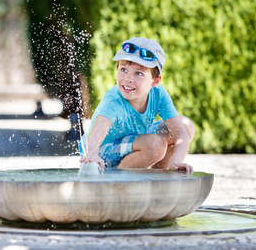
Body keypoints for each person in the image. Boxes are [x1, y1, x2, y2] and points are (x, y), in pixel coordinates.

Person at [79, 37, 195, 172]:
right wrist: (92, 154)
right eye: (123, 69)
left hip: (133, 141)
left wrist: (177, 160)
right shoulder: (114, 99)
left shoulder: (159, 95)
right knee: (156, 144)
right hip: (102, 152)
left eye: (138, 73)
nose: (128, 79)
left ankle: (160, 175)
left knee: (185, 126)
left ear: (155, 81)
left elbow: (180, 133)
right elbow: (99, 126)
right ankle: (116, 179)